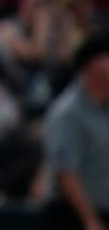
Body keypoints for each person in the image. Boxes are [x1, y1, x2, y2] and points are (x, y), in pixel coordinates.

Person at [42, 31, 109, 230]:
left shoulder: (104, 108)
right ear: (92, 64)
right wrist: (89, 219)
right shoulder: (68, 112)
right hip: (72, 217)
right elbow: (65, 172)